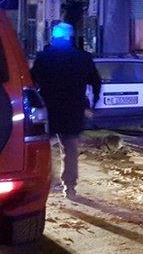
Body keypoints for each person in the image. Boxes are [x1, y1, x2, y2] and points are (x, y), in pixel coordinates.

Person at [30, 22, 101, 198]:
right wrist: (93, 103)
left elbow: (31, 81)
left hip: (49, 109)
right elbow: (96, 81)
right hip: (73, 110)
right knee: (70, 149)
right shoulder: (83, 58)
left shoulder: (44, 57)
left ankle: (43, 183)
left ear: (54, 37)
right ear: (70, 38)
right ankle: (69, 187)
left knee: (42, 148)